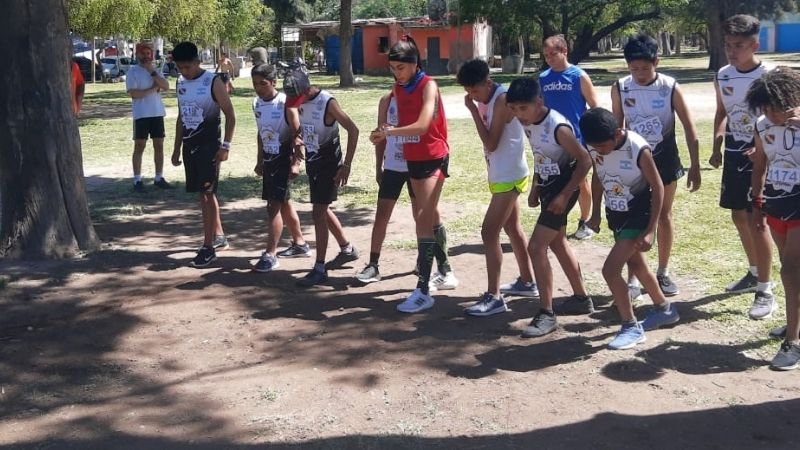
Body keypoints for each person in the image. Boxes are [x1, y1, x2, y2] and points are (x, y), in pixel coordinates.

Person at [370, 35, 457, 313]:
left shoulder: (428, 85)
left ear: (414, 64)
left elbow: (422, 125)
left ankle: (422, 290)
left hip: (433, 156)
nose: (396, 74)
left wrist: (389, 132)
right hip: (413, 158)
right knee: (429, 216)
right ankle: (445, 271)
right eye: (393, 68)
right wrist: (380, 135)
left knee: (423, 217)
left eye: (401, 68)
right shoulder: (398, 88)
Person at [611, 34, 701, 300]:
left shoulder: (670, 87)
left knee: (663, 215)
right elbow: (617, 127)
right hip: (633, 163)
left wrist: (694, 165)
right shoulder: (620, 87)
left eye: (645, 68)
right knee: (634, 218)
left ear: (657, 62)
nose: (639, 74)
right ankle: (633, 279)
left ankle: (662, 271)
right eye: (633, 68)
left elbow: (688, 125)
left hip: (665, 159)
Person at [581, 108, 679, 350]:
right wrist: (594, 213)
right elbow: (598, 176)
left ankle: (630, 325)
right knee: (637, 265)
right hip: (617, 214)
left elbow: (657, 187)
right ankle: (664, 309)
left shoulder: (638, 148)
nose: (600, 151)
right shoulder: (596, 146)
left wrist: (650, 229)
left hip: (639, 215)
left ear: (617, 133)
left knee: (610, 270)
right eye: (595, 147)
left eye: (603, 146)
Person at [505, 77, 594, 335]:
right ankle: (581, 298)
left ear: (539, 102)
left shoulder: (558, 127)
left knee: (536, 247)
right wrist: (536, 187)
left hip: (563, 192)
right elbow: (540, 155)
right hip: (549, 191)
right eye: (514, 109)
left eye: (524, 109)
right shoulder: (530, 123)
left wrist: (564, 195)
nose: (519, 115)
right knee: (557, 243)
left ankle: (546, 313)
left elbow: (585, 161)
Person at [456, 60, 538, 317]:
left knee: (488, 232)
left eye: (475, 91)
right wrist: (476, 103)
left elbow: (491, 142)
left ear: (488, 83)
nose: (472, 96)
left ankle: (494, 297)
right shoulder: (488, 99)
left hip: (509, 175)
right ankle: (527, 281)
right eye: (469, 92)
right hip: (502, 173)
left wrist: (472, 110)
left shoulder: (501, 99)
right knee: (513, 228)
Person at [709, 14, 776, 319]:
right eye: (728, 45)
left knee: (757, 220)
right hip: (736, 152)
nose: (731, 51)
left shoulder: (771, 76)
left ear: (755, 45)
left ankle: (766, 289)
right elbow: (722, 111)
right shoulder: (723, 74)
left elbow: (785, 115)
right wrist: (717, 141)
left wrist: (761, 146)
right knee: (739, 215)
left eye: (738, 45)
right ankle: (753, 271)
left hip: (763, 157)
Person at [283, 69, 360, 287]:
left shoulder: (327, 102)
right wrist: (297, 140)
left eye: (298, 98)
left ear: (307, 89)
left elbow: (353, 130)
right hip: (314, 162)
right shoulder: (299, 102)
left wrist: (346, 166)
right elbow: (302, 128)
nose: (296, 103)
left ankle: (319, 268)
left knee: (317, 212)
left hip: (330, 165)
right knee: (322, 210)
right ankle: (347, 249)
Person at [746, 66, 800, 369]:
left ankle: (792, 342)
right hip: (777, 203)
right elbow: (760, 166)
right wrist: (757, 205)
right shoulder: (763, 125)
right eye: (766, 107)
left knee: (791, 271)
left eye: (777, 107)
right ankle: (796, 322)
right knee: (792, 269)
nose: (772, 113)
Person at [170, 41, 236, 267]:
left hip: (210, 148)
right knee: (204, 194)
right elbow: (181, 116)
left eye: (187, 67)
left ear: (197, 62)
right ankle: (219, 238)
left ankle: (208, 247)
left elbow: (230, 115)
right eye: (180, 67)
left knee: (207, 194)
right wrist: (177, 147)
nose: (184, 72)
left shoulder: (212, 82)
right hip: (190, 147)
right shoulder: (179, 82)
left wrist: (225, 146)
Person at [250, 64, 312, 272]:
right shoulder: (256, 103)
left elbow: (298, 133)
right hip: (269, 160)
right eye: (255, 84)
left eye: (263, 83)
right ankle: (300, 243)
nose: (259, 88)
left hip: (283, 159)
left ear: (274, 82)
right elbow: (261, 133)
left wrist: (296, 162)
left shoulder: (285, 103)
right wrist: (259, 160)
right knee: (284, 203)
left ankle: (271, 254)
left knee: (273, 206)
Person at [539, 35, 599, 241]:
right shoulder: (543, 78)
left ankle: (585, 221)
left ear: (564, 52)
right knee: (553, 178)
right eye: (546, 55)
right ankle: (555, 223)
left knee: (580, 181)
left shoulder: (578, 76)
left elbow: (594, 106)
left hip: (577, 138)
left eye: (553, 54)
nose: (549, 59)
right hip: (552, 141)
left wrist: (594, 136)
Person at [354, 91, 418, 283]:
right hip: (392, 165)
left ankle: (424, 261)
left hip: (417, 164)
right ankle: (373, 265)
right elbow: (379, 134)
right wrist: (378, 166)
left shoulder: (421, 96)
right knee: (382, 215)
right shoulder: (386, 100)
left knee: (421, 216)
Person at [126, 42, 171, 192]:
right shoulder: (132, 72)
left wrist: (152, 72)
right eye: (143, 53)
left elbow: (165, 86)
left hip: (157, 113)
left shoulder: (156, 70)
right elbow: (134, 94)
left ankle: (159, 177)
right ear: (137, 54)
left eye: (148, 54)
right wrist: (153, 89)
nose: (146, 57)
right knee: (140, 146)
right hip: (141, 115)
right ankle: (137, 180)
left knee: (159, 145)